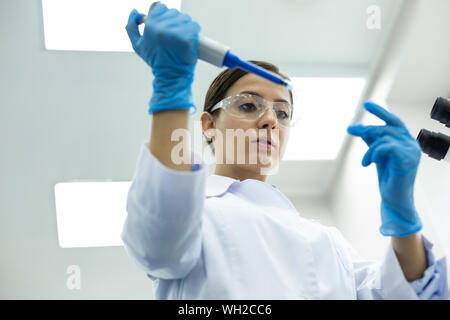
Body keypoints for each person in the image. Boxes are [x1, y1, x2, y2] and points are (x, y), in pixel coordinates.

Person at [121, 2, 449, 299]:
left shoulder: (327, 243)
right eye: (248, 105)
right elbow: (159, 243)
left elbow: (403, 294)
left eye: (282, 114)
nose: (269, 121)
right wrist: (171, 87)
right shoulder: (195, 213)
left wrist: (404, 216)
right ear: (207, 124)